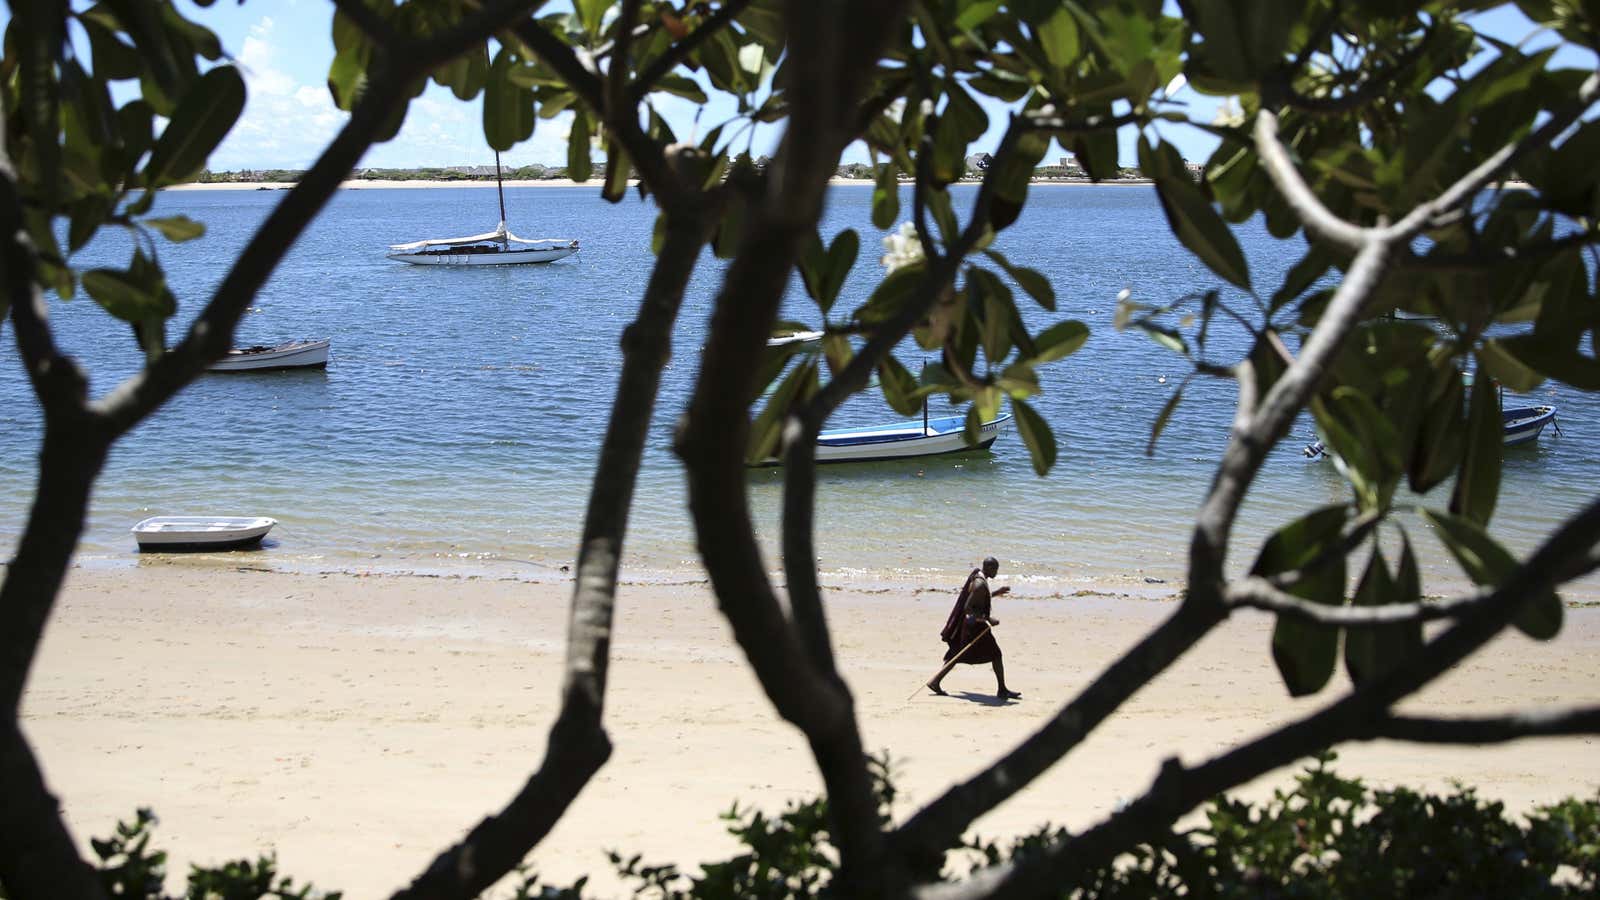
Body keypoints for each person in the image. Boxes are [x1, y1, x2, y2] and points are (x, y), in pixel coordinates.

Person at [928, 556, 1020, 699]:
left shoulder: (979, 578)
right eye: (995, 569)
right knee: (996, 654)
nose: (997, 571)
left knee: (956, 654)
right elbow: (968, 608)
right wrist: (988, 619)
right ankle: (1002, 690)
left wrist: (996, 593)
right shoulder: (979, 584)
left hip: (972, 625)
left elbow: (980, 598)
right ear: (988, 568)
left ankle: (935, 681)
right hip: (974, 627)